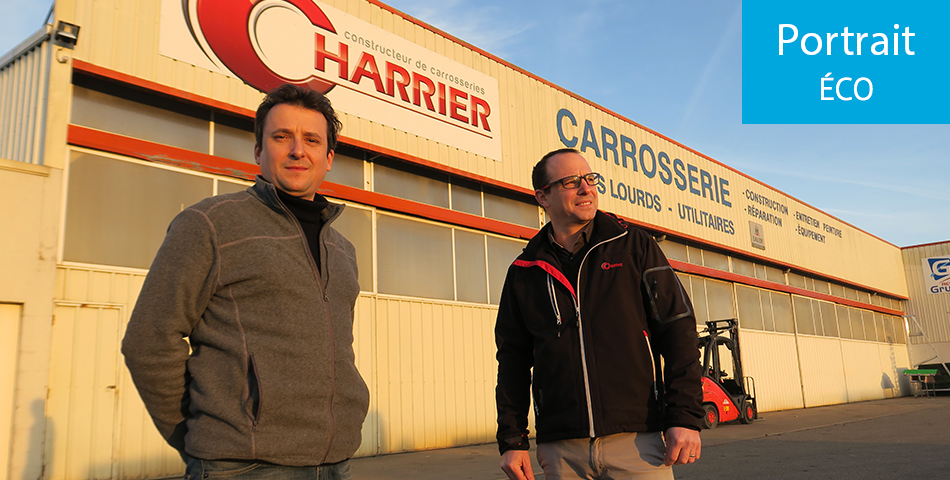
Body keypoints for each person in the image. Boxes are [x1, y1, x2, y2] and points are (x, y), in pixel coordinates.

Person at [122, 83, 368, 480]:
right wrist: (199, 437)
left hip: (335, 462)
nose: (297, 150)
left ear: (329, 158)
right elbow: (148, 341)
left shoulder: (342, 250)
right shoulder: (210, 224)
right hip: (242, 466)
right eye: (281, 136)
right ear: (258, 150)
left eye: (311, 140)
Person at [495, 148, 704, 480]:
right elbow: (512, 361)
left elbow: (677, 330)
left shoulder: (634, 246)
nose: (586, 188)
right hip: (563, 451)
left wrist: (685, 416)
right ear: (543, 197)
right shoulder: (525, 271)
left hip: (637, 443)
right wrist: (511, 439)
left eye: (590, 179)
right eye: (571, 181)